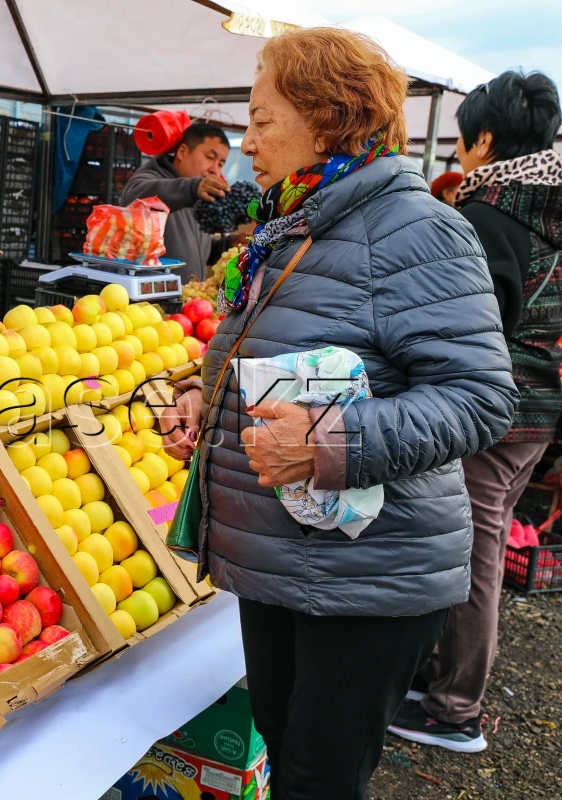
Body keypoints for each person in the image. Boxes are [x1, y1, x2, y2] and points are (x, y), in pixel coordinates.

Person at [159, 28, 516, 799]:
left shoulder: (416, 228)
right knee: (288, 754)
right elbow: (282, 351)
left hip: (368, 572)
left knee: (318, 779)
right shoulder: (301, 219)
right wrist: (203, 393)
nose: (245, 143)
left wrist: (329, 442)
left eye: (261, 120)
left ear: (328, 116)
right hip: (286, 555)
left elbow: (482, 397)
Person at [389, 70, 562, 754]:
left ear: (486, 139)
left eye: (463, 137)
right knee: (476, 535)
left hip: (497, 410)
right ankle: (437, 672)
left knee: (472, 545)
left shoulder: (491, 212)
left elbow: (466, 322)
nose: (458, 151)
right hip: (538, 402)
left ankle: (456, 706)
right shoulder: (543, 202)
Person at [120, 122, 230, 281]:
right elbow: (134, 196)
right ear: (182, 151)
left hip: (188, 300)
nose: (215, 169)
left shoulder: (198, 193)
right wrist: (192, 188)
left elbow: (194, 250)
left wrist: (226, 245)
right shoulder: (152, 176)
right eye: (209, 157)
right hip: (150, 301)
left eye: (220, 163)